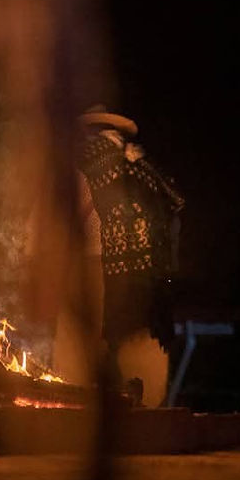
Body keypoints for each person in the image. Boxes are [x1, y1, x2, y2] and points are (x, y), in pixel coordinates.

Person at [53, 106, 184, 406]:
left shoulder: (81, 162)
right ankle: (148, 413)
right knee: (140, 338)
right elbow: (174, 215)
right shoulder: (145, 167)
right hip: (149, 272)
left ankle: (74, 410)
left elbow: (58, 220)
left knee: (76, 341)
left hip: (93, 264)